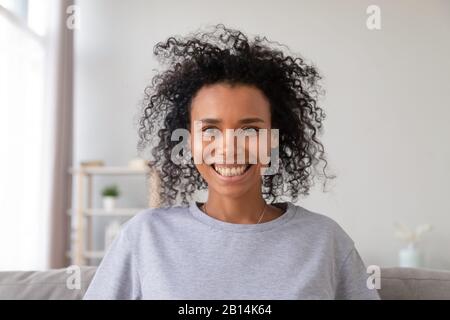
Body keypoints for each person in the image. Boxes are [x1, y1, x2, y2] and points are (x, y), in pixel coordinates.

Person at [83, 24, 380, 300]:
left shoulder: (325, 241)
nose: (230, 148)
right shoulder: (145, 236)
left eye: (250, 129)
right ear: (188, 141)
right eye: (210, 130)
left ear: (274, 139)